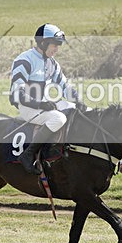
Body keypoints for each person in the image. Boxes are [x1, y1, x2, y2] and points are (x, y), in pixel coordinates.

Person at [10, 23, 81, 174]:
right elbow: (18, 94)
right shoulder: (24, 60)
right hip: (27, 107)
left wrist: (78, 101)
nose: (56, 49)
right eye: (54, 45)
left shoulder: (52, 63)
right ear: (43, 43)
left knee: (75, 109)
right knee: (58, 119)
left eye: (58, 45)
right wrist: (41, 104)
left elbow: (64, 85)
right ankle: (28, 155)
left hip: (44, 105)